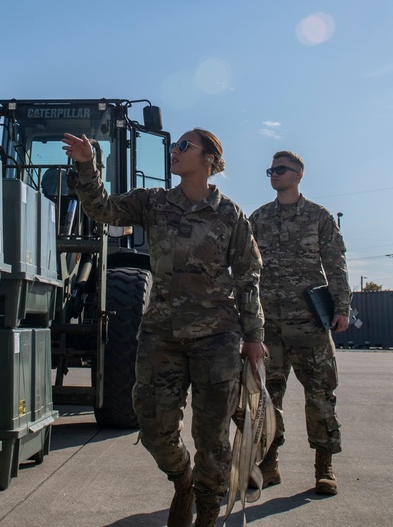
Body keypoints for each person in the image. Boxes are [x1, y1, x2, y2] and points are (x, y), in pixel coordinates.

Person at [62, 128, 265, 527]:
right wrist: (87, 166)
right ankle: (183, 480)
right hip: (162, 334)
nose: (175, 151)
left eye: (184, 146)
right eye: (174, 146)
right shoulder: (152, 202)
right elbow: (101, 209)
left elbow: (248, 275)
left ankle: (206, 509)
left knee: (212, 436)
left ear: (209, 159)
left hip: (217, 337)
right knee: (154, 428)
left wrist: (254, 335)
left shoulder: (230, 215)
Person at [249, 151, 350, 496]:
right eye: (270, 170)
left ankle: (324, 467)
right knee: (265, 399)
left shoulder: (318, 217)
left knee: (321, 397)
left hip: (309, 326)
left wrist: (343, 308)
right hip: (268, 328)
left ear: (298, 175)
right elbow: (245, 269)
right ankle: (268, 464)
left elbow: (335, 265)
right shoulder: (258, 218)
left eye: (280, 170)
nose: (273, 175)